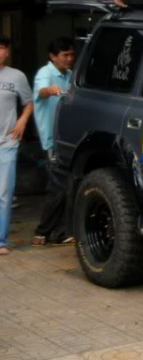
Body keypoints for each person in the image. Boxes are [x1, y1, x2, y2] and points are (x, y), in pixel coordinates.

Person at [30, 38, 75, 247]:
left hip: (66, 141)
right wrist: (50, 90)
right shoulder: (45, 74)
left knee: (62, 186)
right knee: (59, 187)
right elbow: (40, 92)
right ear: (53, 56)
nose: (69, 59)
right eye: (65, 55)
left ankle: (54, 232)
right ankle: (45, 231)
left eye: (71, 55)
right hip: (51, 142)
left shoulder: (70, 76)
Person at [0, 37, 33, 256]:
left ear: (7, 52)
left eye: (1, 48)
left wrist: (22, 120)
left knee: (4, 193)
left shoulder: (17, 76)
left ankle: (1, 241)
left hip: (7, 142)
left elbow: (28, 103)